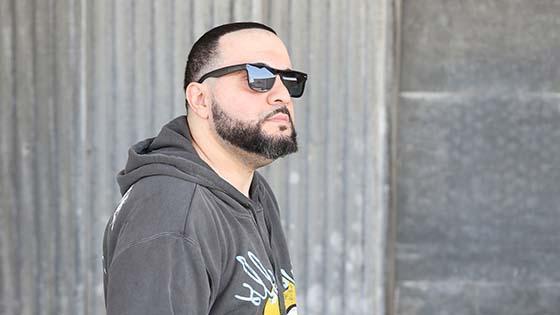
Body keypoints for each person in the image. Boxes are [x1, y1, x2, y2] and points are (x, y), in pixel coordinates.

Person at [102, 22, 307, 315]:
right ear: (200, 99)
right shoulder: (171, 216)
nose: (281, 95)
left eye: (289, 80)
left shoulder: (254, 192)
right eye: (257, 77)